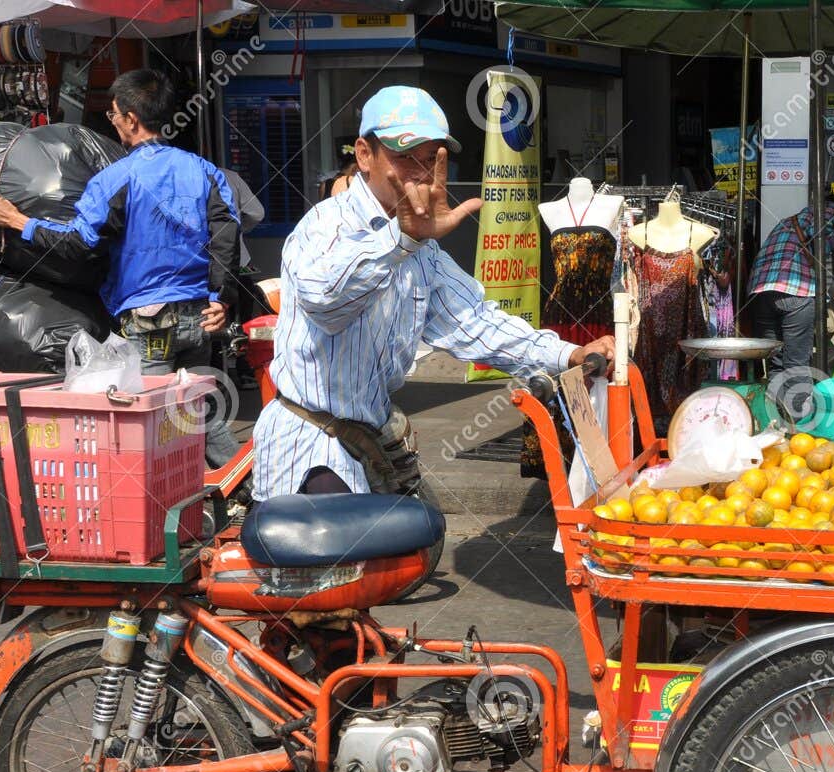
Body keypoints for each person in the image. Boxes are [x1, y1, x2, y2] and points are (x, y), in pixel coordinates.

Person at [251, 86, 612, 505]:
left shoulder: (422, 250)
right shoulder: (324, 226)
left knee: (415, 541)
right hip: (311, 444)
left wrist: (568, 354)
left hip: (372, 437)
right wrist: (401, 239)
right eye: (405, 158)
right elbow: (327, 303)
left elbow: (475, 323)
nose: (421, 174)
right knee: (345, 557)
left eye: (432, 160)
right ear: (365, 155)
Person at [0, 68, 242, 463]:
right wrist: (220, 297)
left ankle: (162, 505)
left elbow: (79, 244)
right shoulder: (205, 171)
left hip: (150, 321)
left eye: (114, 114)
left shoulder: (117, 178)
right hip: (198, 317)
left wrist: (19, 221)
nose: (114, 122)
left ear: (131, 119)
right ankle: (244, 486)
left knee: (150, 425)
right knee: (197, 410)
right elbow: (226, 235)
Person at [746, 200, 834, 377]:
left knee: (775, 363)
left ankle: (774, 404)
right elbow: (819, 234)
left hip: (760, 292)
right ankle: (797, 405)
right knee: (796, 366)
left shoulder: (786, 222)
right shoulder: (830, 210)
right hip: (795, 291)